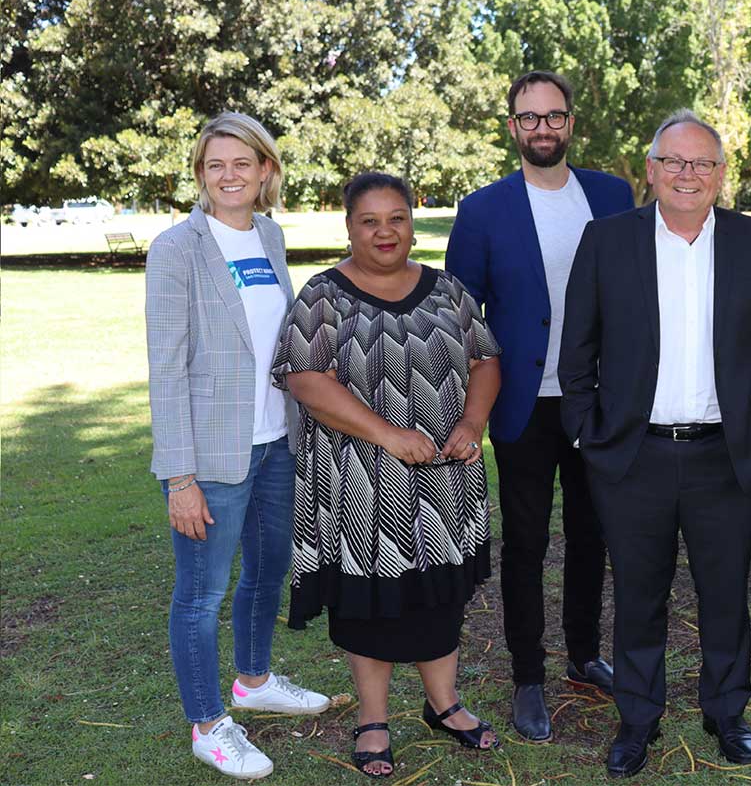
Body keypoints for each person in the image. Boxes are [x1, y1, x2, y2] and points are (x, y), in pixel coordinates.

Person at [557, 110, 751, 778]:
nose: (688, 174)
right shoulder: (608, 240)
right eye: (675, 161)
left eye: (702, 163)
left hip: (725, 455)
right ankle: (638, 717)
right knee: (638, 594)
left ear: (720, 175)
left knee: (726, 593)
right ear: (653, 170)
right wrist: (587, 432)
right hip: (633, 456)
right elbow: (578, 351)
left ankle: (726, 711)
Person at [273, 173, 505, 778]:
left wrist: (473, 423)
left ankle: (445, 705)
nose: (384, 231)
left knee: (441, 598)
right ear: (349, 226)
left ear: (411, 221)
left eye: (396, 218)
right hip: (357, 488)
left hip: (445, 484)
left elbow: (485, 359)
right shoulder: (322, 295)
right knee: (368, 605)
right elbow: (304, 379)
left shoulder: (448, 292)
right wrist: (389, 436)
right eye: (369, 220)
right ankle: (372, 719)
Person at [445, 70, 633, 742]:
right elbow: (461, 317)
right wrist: (464, 409)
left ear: (571, 122)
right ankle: (529, 674)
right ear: (513, 127)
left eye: (554, 116)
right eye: (530, 118)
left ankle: (584, 654)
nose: (543, 127)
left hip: (598, 402)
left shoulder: (613, 196)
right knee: (525, 544)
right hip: (523, 403)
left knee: (593, 536)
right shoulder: (483, 209)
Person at [146, 112, 330, 780]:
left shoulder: (270, 236)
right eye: (215, 164)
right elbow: (165, 367)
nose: (230, 175)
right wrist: (180, 477)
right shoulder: (177, 249)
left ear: (265, 171)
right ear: (200, 174)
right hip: (211, 459)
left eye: (242, 163)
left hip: (275, 442)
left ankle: (253, 679)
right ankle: (207, 721)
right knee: (200, 593)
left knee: (267, 568)